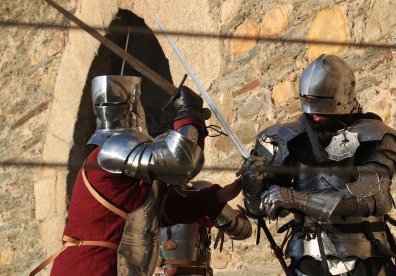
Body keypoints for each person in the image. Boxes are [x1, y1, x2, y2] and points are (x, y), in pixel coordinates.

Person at [30, 75, 246, 276]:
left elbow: (171, 208)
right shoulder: (110, 152)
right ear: (134, 109)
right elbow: (180, 162)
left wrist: (221, 195)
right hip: (92, 267)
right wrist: (188, 115)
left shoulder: (136, 181)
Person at [241, 54, 396, 275]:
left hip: (366, 258)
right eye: (308, 101)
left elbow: (369, 199)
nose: (314, 114)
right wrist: (253, 186)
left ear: (342, 98)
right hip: (307, 260)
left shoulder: (377, 136)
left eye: (320, 103)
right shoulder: (286, 139)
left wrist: (294, 198)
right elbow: (261, 210)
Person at [154, 180, 252, 276]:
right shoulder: (150, 194)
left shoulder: (200, 188)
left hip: (197, 271)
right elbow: (140, 253)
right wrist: (163, 271)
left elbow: (242, 230)